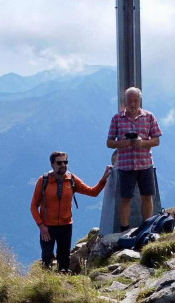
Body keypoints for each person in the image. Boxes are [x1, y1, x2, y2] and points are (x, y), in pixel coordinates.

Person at [30, 151, 112, 272]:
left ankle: (62, 282)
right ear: (52, 164)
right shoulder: (43, 181)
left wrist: (104, 179)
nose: (63, 165)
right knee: (47, 257)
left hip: (66, 226)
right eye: (59, 162)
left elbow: (93, 192)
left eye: (65, 162)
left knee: (64, 259)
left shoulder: (71, 179)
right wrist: (41, 225)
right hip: (47, 227)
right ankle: (45, 284)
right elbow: (33, 206)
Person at [106, 87, 162, 232]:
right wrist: (122, 143)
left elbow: (156, 141)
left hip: (145, 164)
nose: (132, 104)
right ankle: (124, 229)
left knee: (147, 196)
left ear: (140, 101)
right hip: (126, 165)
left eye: (135, 100)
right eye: (130, 101)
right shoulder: (117, 119)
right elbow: (109, 143)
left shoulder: (149, 117)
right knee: (125, 199)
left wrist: (142, 143)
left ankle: (147, 227)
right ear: (125, 101)